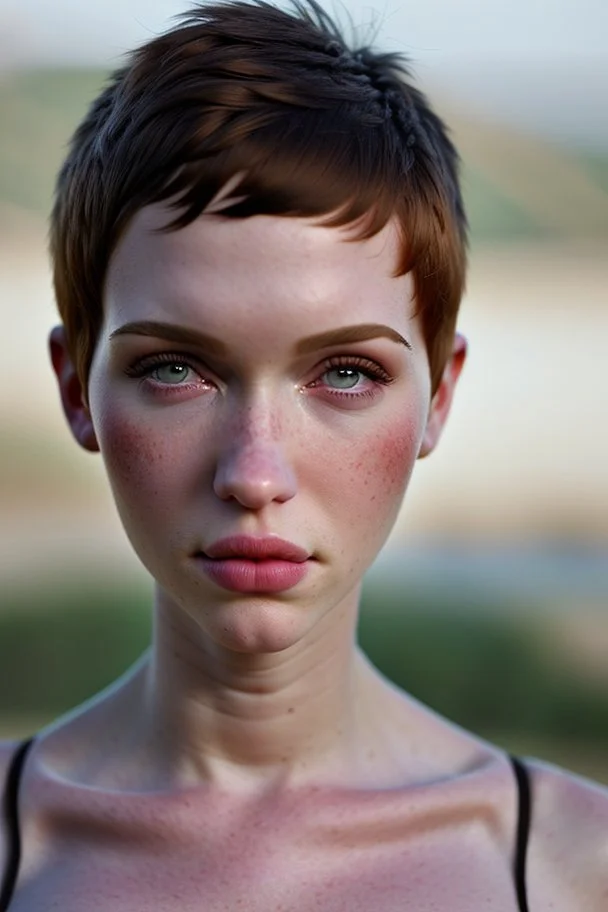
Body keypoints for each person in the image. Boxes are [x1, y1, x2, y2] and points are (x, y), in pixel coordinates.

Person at [1, 1, 606, 908]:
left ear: (438, 396)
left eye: (348, 375)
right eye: (175, 369)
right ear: (75, 386)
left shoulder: (575, 869)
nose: (254, 474)